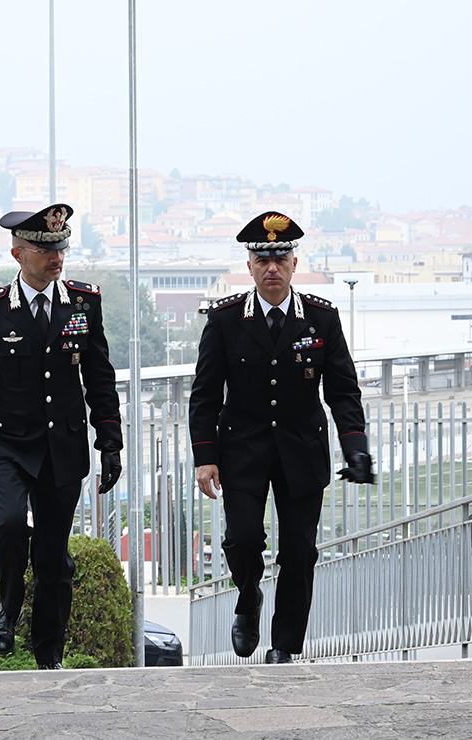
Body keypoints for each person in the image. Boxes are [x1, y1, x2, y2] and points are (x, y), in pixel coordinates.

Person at [188, 210, 375, 664]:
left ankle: (285, 646)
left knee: (299, 552)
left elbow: (343, 389)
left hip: (301, 453)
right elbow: (205, 394)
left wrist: (355, 447)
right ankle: (248, 596)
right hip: (243, 452)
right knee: (244, 540)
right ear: (249, 266)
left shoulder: (321, 319)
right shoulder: (226, 319)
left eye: (281, 257)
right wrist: (205, 456)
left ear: (294, 263)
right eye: (262, 259)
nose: (272, 267)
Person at [0, 202, 124, 670]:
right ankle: (7, 608)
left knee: (53, 559)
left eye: (61, 248)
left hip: (62, 447)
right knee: (7, 524)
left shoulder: (83, 303)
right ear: (18, 254)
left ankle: (48, 653)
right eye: (45, 250)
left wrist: (110, 440)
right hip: (7, 443)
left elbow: (99, 376)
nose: (57, 258)